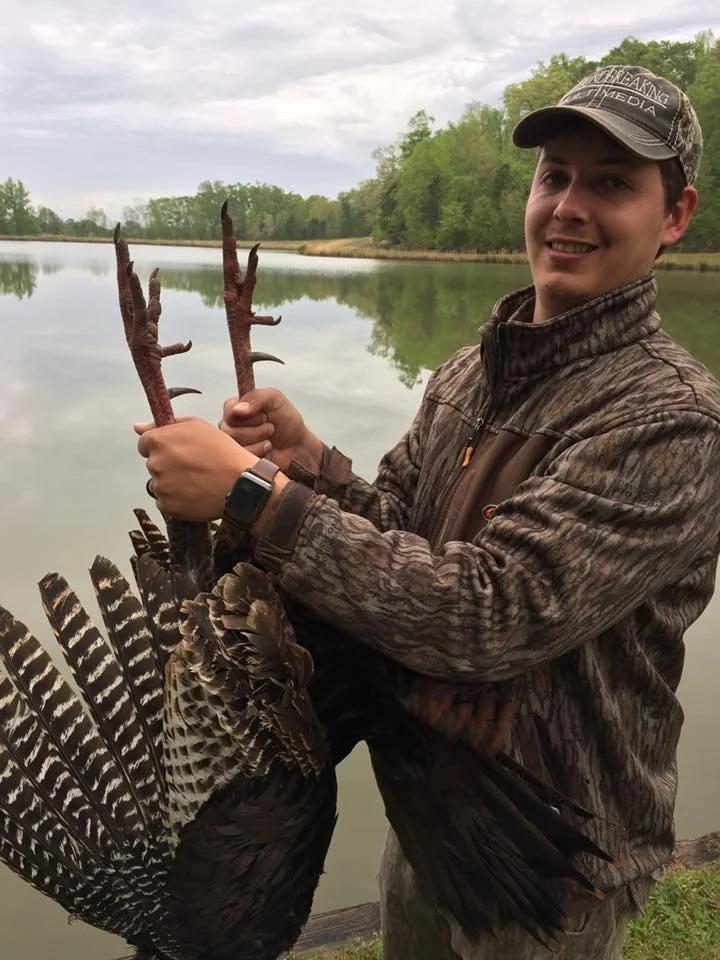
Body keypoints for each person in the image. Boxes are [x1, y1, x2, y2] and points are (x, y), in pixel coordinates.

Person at [135, 65, 720, 959]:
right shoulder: (470, 371)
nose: (569, 206)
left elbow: (486, 614)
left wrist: (254, 496)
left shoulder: (671, 420)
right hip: (436, 813)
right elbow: (400, 538)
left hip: (556, 857)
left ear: (674, 216)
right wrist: (309, 462)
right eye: (555, 174)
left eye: (612, 183)